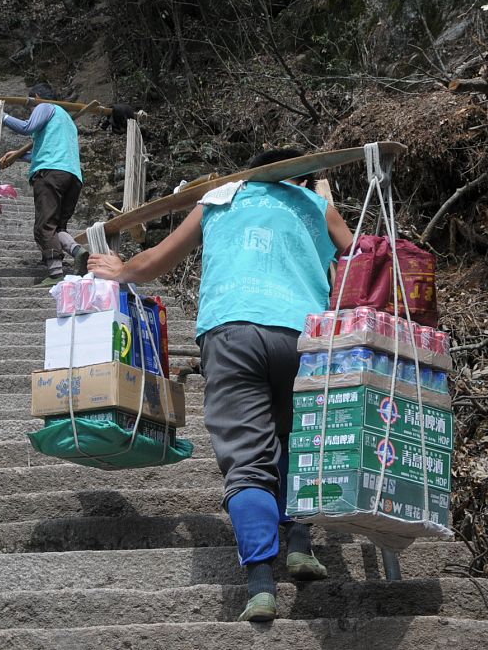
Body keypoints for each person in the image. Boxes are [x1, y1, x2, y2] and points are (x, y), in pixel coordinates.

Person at [87, 148, 355, 623]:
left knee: (248, 460)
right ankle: (299, 545)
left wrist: (120, 270)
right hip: (306, 334)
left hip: (232, 331)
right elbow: (357, 255)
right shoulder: (316, 204)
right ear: (303, 177)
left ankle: (259, 584)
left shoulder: (222, 195)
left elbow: (156, 260)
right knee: (301, 440)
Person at [0, 84, 85, 285]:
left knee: (44, 226)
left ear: (36, 97)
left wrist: (2, 116)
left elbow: (27, 127)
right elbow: (47, 152)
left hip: (50, 175)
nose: (32, 111)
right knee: (58, 225)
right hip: (72, 176)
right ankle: (78, 251)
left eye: (31, 106)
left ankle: (55, 274)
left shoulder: (45, 106)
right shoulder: (67, 120)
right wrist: (19, 156)